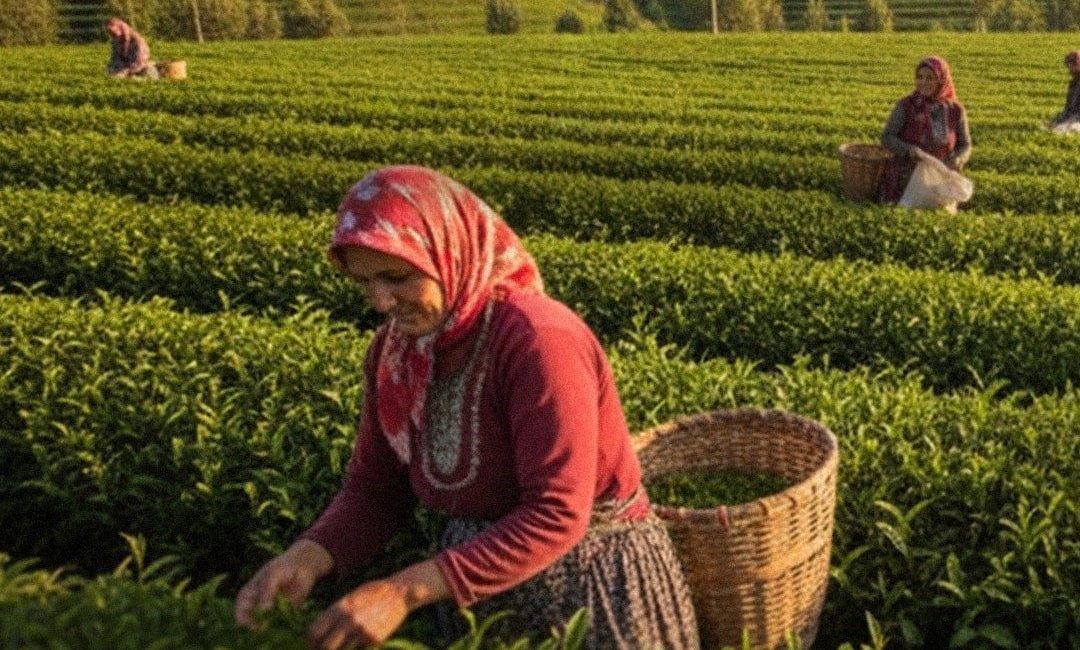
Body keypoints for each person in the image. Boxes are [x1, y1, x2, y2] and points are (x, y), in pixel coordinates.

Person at [234, 165, 700, 650]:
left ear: (448, 251)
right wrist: (309, 556)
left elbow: (557, 512)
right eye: (364, 281)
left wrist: (401, 592)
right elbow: (378, 487)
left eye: (397, 277)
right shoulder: (395, 353)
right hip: (473, 589)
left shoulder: (537, 340)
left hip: (593, 587)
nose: (381, 302)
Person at [879, 55, 971, 204]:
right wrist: (909, 150)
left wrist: (958, 159)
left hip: (942, 175)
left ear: (941, 80)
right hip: (908, 175)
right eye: (920, 77)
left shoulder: (956, 110)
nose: (923, 82)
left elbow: (965, 144)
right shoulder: (906, 105)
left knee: (939, 209)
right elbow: (887, 137)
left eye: (929, 78)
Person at [1050, 50, 1080, 131]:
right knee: (1052, 124)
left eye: (1071, 65)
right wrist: (1065, 115)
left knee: (1060, 129)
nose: (1068, 68)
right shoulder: (1074, 82)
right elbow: (1069, 105)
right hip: (1073, 114)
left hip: (1077, 117)